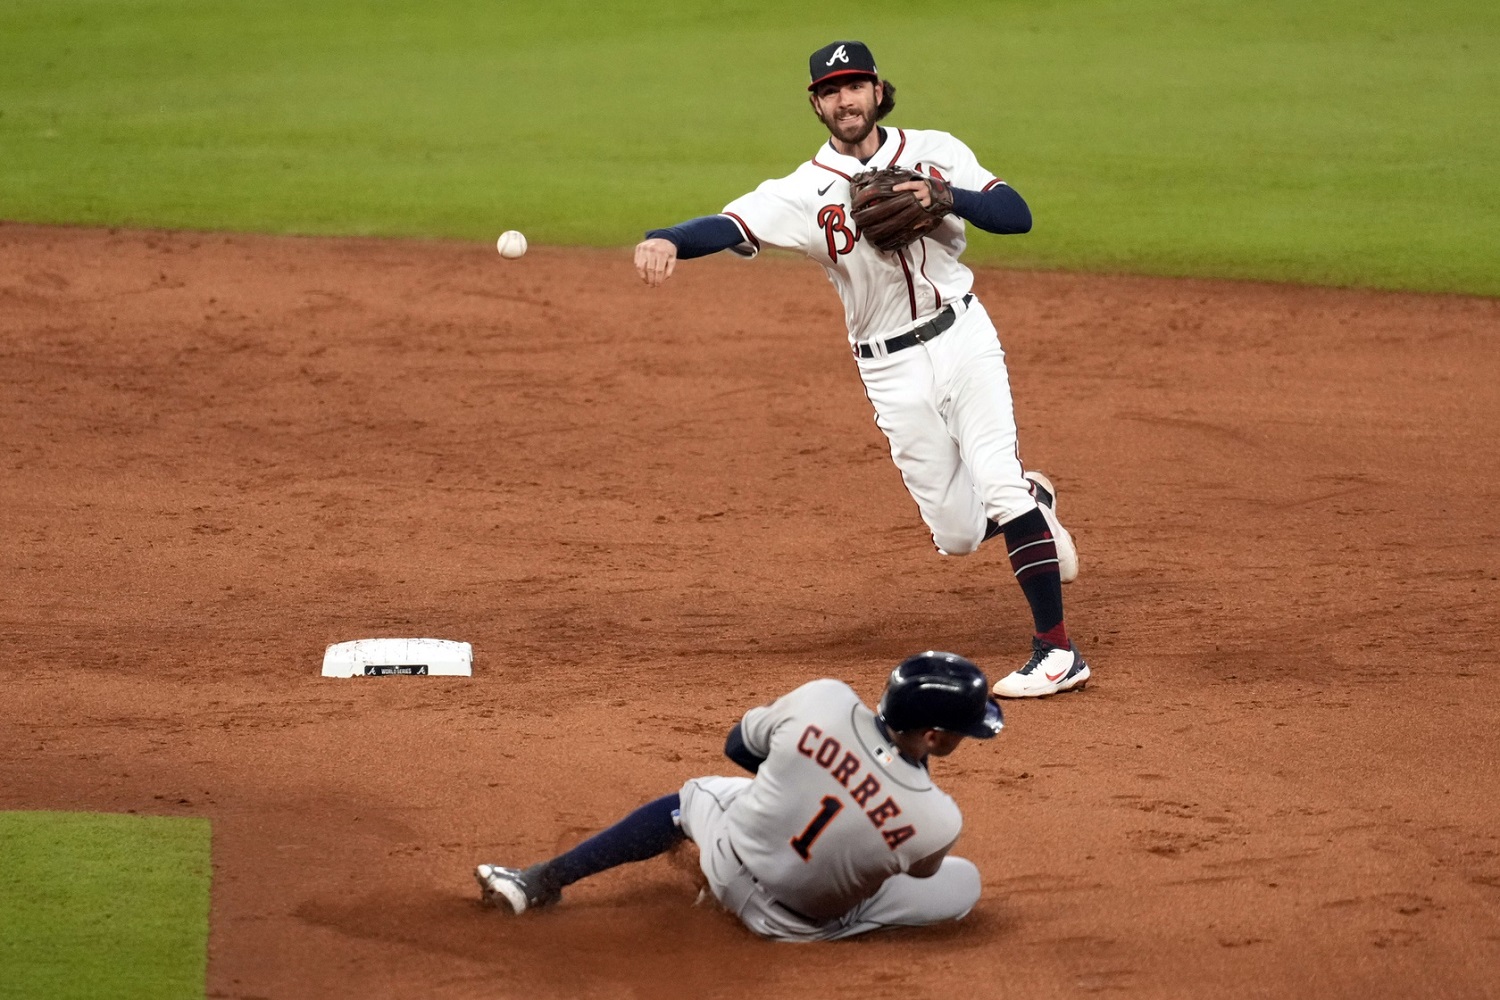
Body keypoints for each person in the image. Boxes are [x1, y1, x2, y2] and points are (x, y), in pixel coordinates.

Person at [632, 40, 1090, 698]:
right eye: (831, 90)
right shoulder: (802, 189)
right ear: (816, 104)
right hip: (889, 368)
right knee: (959, 535)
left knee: (997, 481)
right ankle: (1034, 503)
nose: (845, 99)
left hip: (963, 337)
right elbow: (731, 222)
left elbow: (1015, 216)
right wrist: (667, 238)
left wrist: (944, 195)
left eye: (856, 85)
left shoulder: (935, 148)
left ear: (878, 91)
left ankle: (1056, 651)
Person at [475, 652, 1004, 941]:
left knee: (692, 798)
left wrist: (796, 779)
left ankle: (537, 881)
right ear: (934, 736)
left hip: (729, 859)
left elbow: (738, 746)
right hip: (789, 926)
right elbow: (917, 872)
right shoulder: (938, 817)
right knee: (964, 883)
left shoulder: (825, 699)